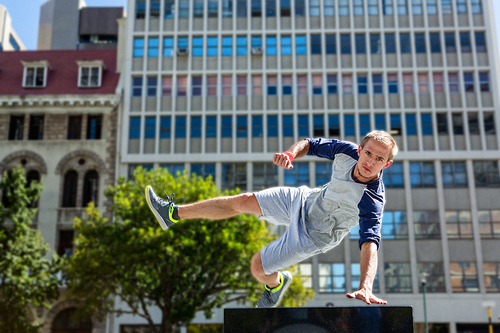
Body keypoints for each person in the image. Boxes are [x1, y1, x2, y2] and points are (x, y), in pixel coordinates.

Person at [145, 130, 398, 308]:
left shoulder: (371, 200)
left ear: (385, 165)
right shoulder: (347, 151)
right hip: (304, 200)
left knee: (257, 267)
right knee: (243, 200)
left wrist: (366, 285)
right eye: (368, 154)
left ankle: (275, 285)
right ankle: (172, 214)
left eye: (379, 159)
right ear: (360, 150)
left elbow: (369, 244)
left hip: (313, 236)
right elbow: (310, 144)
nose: (370, 162)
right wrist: (289, 154)